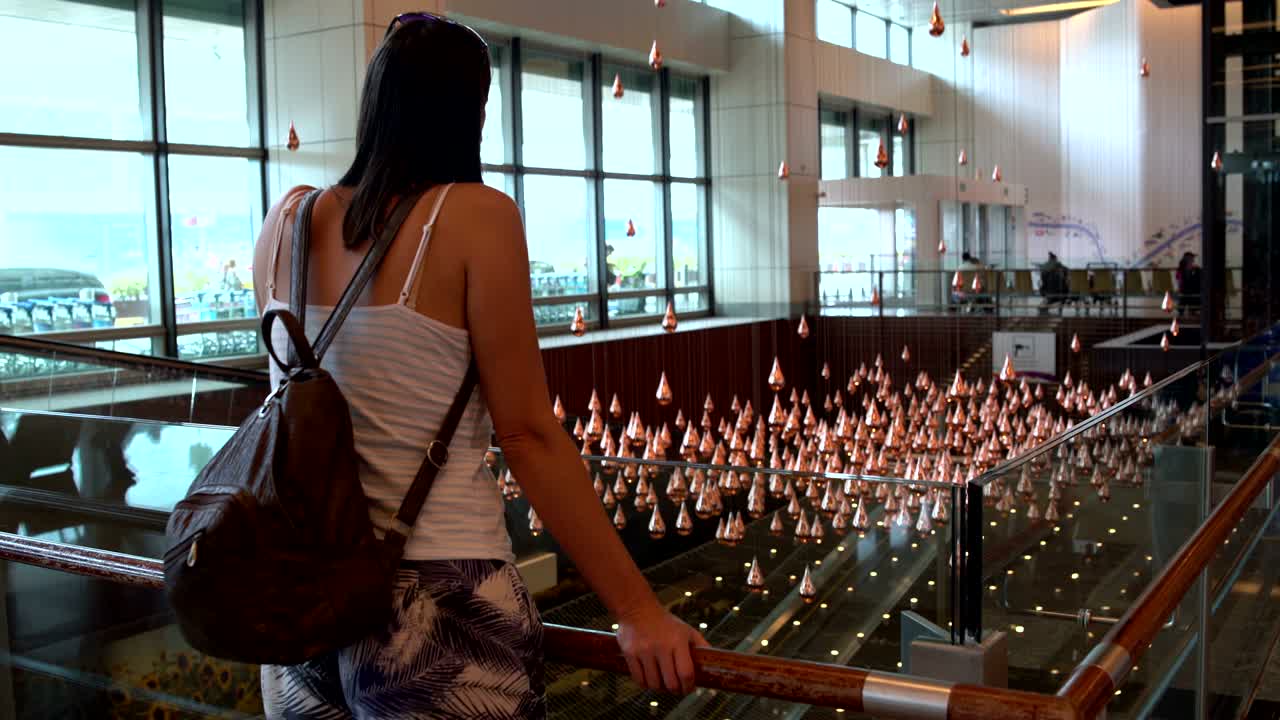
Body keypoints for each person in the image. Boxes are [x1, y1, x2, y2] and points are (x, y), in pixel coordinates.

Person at [251, 13, 705, 718]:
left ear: (377, 101)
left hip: (301, 603)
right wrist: (638, 610)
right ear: (473, 111)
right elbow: (525, 434)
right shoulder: (474, 217)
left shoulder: (285, 222)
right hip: (441, 601)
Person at [1176, 251, 1200, 316]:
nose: (1193, 259)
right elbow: (1179, 278)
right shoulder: (1182, 268)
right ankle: (1189, 310)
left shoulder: (1195, 268)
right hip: (1185, 289)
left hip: (1190, 289)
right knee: (1185, 299)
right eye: (1191, 258)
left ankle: (1192, 310)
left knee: (1189, 298)